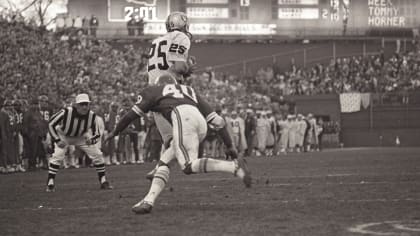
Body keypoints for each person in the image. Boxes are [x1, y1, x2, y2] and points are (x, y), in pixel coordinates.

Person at [105, 81, 252, 215]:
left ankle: (233, 167)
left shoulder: (154, 90)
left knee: (188, 166)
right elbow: (217, 121)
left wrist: (115, 131)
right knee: (164, 162)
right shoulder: (189, 90)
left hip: (182, 117)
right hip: (200, 123)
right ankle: (148, 201)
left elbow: (131, 115)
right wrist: (229, 145)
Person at [46, 93, 112, 192]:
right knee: (58, 155)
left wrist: (92, 140)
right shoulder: (66, 112)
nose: (84, 107)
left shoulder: (92, 116)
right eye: (82, 104)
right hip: (64, 135)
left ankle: (103, 181)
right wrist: (57, 139)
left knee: (97, 154)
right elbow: (51, 123)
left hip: (81, 136)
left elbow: (97, 133)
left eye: (86, 104)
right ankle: (50, 182)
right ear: (76, 105)